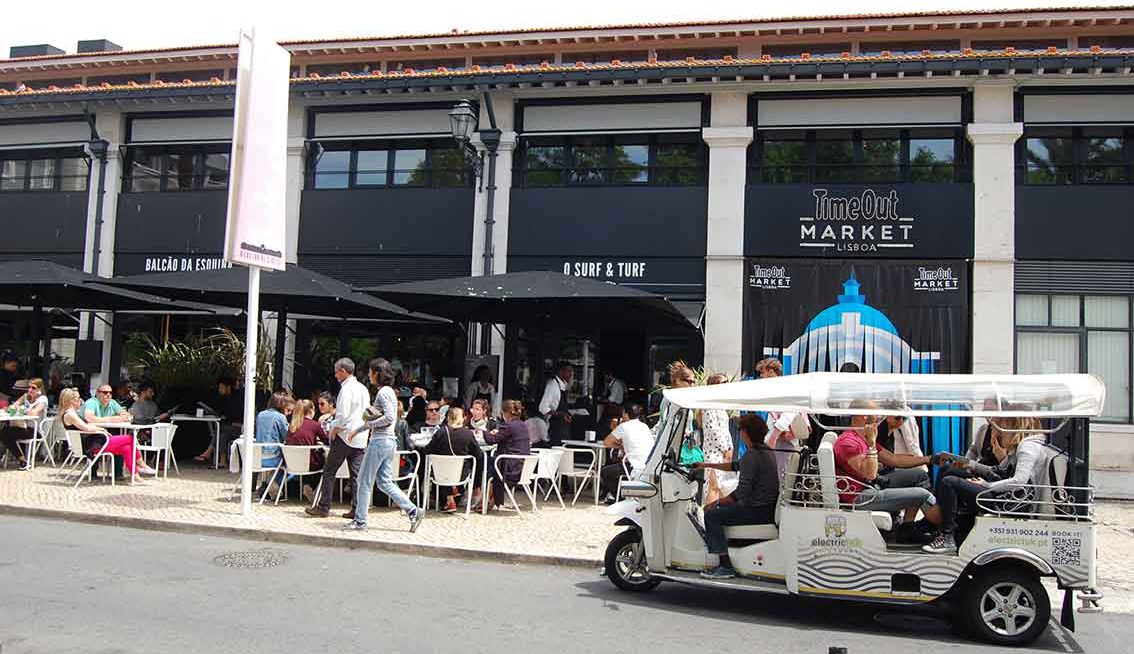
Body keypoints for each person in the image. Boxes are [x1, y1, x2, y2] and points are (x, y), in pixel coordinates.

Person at [923, 419, 1041, 554]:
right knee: (948, 471)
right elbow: (1001, 470)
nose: (998, 432)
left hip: (1007, 501)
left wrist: (986, 484)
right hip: (1004, 493)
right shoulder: (1022, 445)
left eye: (1001, 428)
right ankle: (943, 525)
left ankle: (947, 535)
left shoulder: (1027, 447)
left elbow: (1019, 481)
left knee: (949, 481)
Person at [343, 358, 425, 531]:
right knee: (384, 482)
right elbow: (385, 417)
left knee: (363, 481)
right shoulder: (388, 392)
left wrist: (365, 427)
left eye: (371, 372)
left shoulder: (383, 393)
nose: (369, 375)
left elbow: (389, 418)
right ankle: (413, 510)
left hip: (380, 442)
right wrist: (359, 430)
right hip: (387, 441)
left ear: (378, 373)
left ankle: (360, 521)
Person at [695, 414, 779, 579]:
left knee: (712, 515)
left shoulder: (752, 456)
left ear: (746, 433)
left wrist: (715, 503)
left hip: (757, 511)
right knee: (720, 509)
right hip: (766, 508)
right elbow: (735, 466)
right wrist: (706, 465)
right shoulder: (767, 451)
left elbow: (741, 494)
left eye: (740, 430)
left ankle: (725, 565)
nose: (739, 433)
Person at [833, 402, 941, 527]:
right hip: (860, 497)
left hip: (871, 486)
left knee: (919, 475)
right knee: (923, 495)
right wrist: (872, 444)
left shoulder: (861, 438)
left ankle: (907, 527)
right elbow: (870, 474)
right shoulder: (848, 442)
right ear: (864, 416)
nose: (879, 420)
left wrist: (929, 459)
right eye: (877, 417)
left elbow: (893, 459)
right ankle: (945, 531)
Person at [306, 358, 370, 519]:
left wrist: (334, 427)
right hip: (360, 436)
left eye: (336, 372)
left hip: (344, 435)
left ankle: (323, 506)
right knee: (356, 476)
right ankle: (357, 508)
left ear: (343, 371)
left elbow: (342, 415)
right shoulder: (363, 389)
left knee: (329, 471)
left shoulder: (346, 389)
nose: (335, 375)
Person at [59, 387, 155, 481]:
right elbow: (86, 427)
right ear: (71, 401)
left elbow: (86, 426)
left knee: (127, 448)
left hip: (94, 443)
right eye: (78, 398)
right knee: (130, 438)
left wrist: (99, 429)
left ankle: (136, 475)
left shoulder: (71, 413)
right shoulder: (70, 414)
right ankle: (142, 464)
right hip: (93, 445)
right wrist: (101, 429)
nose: (80, 400)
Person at [755, 358, 810, 478]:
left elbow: (789, 412)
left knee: (778, 478)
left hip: (783, 443)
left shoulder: (784, 389)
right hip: (780, 442)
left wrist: (774, 435)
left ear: (771, 372)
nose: (761, 376)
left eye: (762, 373)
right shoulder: (778, 390)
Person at [422, 406, 483, 513]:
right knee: (468, 463)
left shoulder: (441, 432)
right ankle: (467, 492)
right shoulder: (468, 434)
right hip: (461, 475)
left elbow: (427, 450)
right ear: (462, 418)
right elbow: (478, 455)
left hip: (441, 474)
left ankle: (448, 499)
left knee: (442, 466)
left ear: (448, 418)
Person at [599, 404, 655, 503]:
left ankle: (619, 497)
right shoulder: (644, 426)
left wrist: (620, 446)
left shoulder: (624, 426)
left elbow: (607, 442)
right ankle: (619, 495)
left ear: (626, 414)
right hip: (648, 465)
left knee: (605, 472)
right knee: (615, 469)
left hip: (633, 465)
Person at [483, 399, 530, 510]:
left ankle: (484, 499)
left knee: (484, 462)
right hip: (522, 466)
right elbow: (506, 438)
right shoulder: (523, 425)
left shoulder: (508, 426)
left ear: (505, 413)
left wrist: (483, 431)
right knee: (490, 462)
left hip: (510, 469)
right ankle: (489, 499)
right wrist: (497, 433)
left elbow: (491, 440)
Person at [700, 374, 737, 506]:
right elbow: (713, 430)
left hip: (723, 452)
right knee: (713, 485)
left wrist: (730, 448)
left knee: (720, 487)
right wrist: (725, 448)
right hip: (713, 452)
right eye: (723, 383)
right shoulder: (709, 407)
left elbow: (725, 430)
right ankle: (709, 514)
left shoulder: (720, 406)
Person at [0, 378, 49, 470]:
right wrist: (13, 408)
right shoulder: (26, 396)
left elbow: (34, 413)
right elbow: (14, 406)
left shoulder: (42, 399)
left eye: (33, 388)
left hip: (36, 431)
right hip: (23, 427)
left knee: (4, 433)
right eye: (29, 387)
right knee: (4, 432)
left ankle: (23, 460)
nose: (30, 390)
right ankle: (22, 459)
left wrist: (19, 410)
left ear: (40, 389)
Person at [285, 398, 328, 501]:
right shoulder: (315, 425)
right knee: (323, 464)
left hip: (291, 463)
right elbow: (326, 440)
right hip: (308, 464)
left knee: (309, 457)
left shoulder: (292, 425)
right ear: (311, 411)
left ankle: (305, 486)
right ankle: (311, 486)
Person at [254, 390, 294, 497]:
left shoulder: (260, 415)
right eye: (288, 410)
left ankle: (267, 484)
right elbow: (288, 437)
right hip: (273, 457)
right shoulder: (280, 417)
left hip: (258, 457)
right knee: (294, 466)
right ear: (281, 405)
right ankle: (272, 483)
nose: (289, 413)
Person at [196, 377, 243, 465]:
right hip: (228, 426)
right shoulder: (224, 398)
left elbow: (235, 415)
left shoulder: (238, 398)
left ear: (228, 387)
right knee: (222, 433)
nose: (219, 390)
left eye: (221, 388)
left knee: (221, 430)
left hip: (239, 426)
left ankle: (210, 452)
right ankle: (222, 460)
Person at [539, 363, 574, 446]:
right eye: (568, 371)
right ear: (561, 372)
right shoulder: (552, 386)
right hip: (554, 427)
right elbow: (543, 408)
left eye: (571, 372)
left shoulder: (563, 385)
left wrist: (567, 415)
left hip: (563, 426)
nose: (570, 375)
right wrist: (560, 414)